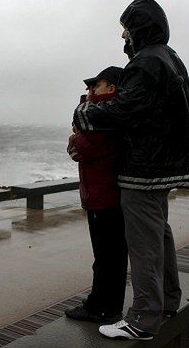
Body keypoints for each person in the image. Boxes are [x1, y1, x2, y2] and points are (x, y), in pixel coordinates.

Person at [73, 0, 189, 340]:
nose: (124, 37)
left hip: (142, 168)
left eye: (126, 29)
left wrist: (86, 114)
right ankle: (168, 300)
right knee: (161, 235)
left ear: (139, 27)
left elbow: (126, 109)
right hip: (165, 164)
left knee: (142, 242)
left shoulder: (145, 63)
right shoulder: (171, 59)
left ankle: (142, 318)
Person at [65, 66, 128, 323]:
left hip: (105, 195)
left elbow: (85, 147)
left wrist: (76, 136)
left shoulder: (107, 114)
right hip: (105, 193)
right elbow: (81, 144)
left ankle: (101, 308)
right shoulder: (108, 111)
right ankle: (104, 304)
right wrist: (78, 136)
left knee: (106, 256)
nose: (90, 90)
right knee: (109, 254)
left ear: (111, 88)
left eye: (96, 85)